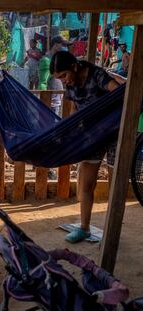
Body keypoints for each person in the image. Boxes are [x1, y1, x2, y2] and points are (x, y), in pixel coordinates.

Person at [50, 51, 121, 243]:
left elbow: (118, 93)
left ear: (74, 66)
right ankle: (84, 228)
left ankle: (111, 233)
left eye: (63, 75)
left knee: (116, 186)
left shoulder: (97, 75)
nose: (63, 81)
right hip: (91, 136)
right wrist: (68, 134)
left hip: (114, 134)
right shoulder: (71, 87)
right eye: (59, 78)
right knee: (87, 185)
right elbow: (74, 111)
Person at [39, 35, 72, 117]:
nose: (65, 48)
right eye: (63, 45)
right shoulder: (46, 61)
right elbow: (42, 83)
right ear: (56, 45)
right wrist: (43, 103)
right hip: (50, 103)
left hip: (57, 101)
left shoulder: (57, 61)